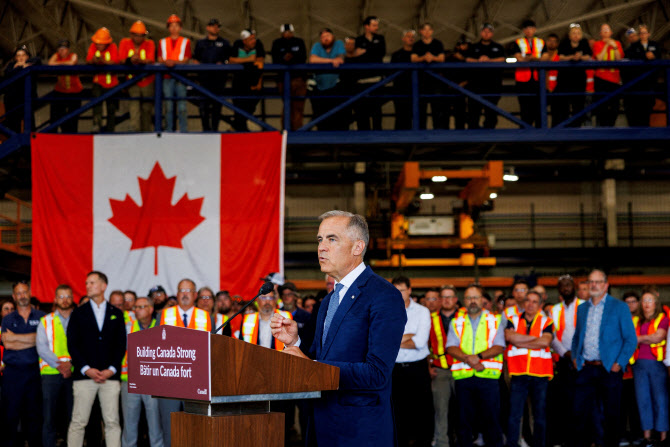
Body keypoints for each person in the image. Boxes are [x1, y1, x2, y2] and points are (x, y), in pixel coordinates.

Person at [270, 210, 406, 446]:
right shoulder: (329, 300)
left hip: (359, 431)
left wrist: (312, 365)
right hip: (322, 426)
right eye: (320, 240)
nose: (321, 248)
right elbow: (320, 358)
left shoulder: (384, 296)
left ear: (357, 247)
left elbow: (376, 373)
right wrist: (295, 343)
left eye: (332, 239)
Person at [571, 269, 637, 447]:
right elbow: (577, 337)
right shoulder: (582, 308)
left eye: (598, 281)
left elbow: (631, 339)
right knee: (579, 412)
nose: (594, 285)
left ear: (606, 285)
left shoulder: (619, 307)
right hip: (586, 368)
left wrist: (619, 363)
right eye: (591, 281)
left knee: (611, 415)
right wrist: (575, 357)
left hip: (609, 369)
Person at [66, 271, 127, 447]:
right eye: (87, 283)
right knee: (78, 422)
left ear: (103, 286)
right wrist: (86, 369)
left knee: (112, 422)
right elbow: (72, 345)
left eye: (92, 282)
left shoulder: (116, 313)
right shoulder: (78, 313)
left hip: (110, 377)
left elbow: (121, 344)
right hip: (84, 377)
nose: (88, 286)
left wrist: (112, 370)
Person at [446, 284, 505, 447]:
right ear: (464, 301)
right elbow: (450, 347)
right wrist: (469, 360)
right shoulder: (456, 322)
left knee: (492, 419)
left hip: (488, 376)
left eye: (476, 297)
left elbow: (499, 346)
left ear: (482, 300)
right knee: (463, 420)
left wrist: (478, 358)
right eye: (469, 298)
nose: (472, 301)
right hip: (463, 377)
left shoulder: (495, 320)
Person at [157, 279, 211, 447]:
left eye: (189, 290)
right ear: (177, 294)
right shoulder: (164, 315)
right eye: (182, 290)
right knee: (170, 428)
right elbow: (155, 346)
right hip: (169, 383)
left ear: (195, 295)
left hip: (197, 383)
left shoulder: (205, 316)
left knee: (197, 428)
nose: (185, 294)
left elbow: (212, 347)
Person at [505, 291, 554, 447]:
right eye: (528, 301)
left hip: (540, 372)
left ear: (540, 305)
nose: (530, 304)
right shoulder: (512, 319)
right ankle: (512, 444)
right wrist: (535, 340)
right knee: (514, 415)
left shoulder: (546, 321)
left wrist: (520, 340)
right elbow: (510, 337)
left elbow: (545, 342)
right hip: (518, 372)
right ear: (524, 303)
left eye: (534, 301)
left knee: (539, 415)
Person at [1, 280, 45, 447]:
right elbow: (7, 343)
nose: (22, 296)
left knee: (34, 416)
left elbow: (44, 342)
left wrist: (17, 338)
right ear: (14, 297)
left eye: (25, 292)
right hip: (12, 374)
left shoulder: (41, 317)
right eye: (18, 293)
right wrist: (34, 339)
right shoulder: (7, 319)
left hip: (35, 373)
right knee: (11, 416)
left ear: (30, 293)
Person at [391, 276, 433, 447]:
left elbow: (420, 342)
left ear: (409, 290)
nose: (398, 294)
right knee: (397, 411)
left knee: (421, 411)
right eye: (395, 290)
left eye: (401, 290)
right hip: (394, 369)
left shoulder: (422, 312)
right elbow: (381, 340)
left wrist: (394, 340)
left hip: (418, 368)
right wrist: (408, 336)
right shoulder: (385, 311)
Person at [122, 296, 164, 447]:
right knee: (129, 424)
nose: (137, 311)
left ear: (151, 309)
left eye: (141, 307)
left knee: (155, 424)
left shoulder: (160, 327)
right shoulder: (128, 326)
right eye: (136, 308)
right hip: (130, 381)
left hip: (152, 383)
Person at [37, 284, 75, 447]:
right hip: (50, 375)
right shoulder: (46, 321)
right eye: (61, 296)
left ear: (72, 299)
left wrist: (71, 364)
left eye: (68, 296)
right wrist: (61, 366)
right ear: (55, 299)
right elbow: (41, 348)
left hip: (74, 374)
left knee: (73, 417)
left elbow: (85, 346)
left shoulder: (80, 319)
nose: (65, 300)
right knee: (49, 418)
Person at [547, 274, 584, 445]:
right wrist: (564, 353)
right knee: (564, 400)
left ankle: (583, 439)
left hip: (583, 359)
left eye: (569, 285)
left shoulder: (585, 306)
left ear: (574, 287)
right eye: (562, 286)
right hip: (562, 359)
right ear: (558, 290)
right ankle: (566, 439)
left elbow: (589, 333)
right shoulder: (554, 310)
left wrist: (576, 353)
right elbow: (551, 336)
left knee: (582, 399)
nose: (566, 288)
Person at [631, 289, 668, 445]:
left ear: (656, 303)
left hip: (656, 364)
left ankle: (663, 436)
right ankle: (647, 436)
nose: (646, 304)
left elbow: (658, 337)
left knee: (660, 399)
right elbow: (629, 339)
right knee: (643, 400)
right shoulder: (635, 320)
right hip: (638, 364)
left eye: (650, 300)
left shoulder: (663, 318)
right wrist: (647, 338)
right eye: (644, 301)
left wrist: (639, 338)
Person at [429, 286, 459, 447]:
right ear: (440, 300)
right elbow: (424, 345)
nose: (447, 300)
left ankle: (463, 440)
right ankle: (441, 443)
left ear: (455, 299)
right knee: (440, 410)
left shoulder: (464, 317)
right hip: (439, 369)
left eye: (450, 297)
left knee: (463, 408)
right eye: (444, 297)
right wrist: (428, 366)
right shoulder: (431, 318)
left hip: (461, 368)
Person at [193, 18, 230, 131]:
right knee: (203, 105)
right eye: (213, 26)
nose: (215, 28)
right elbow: (195, 59)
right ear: (207, 27)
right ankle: (206, 129)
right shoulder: (201, 43)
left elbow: (230, 59)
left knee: (217, 106)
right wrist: (200, 69)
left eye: (217, 26)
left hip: (219, 80)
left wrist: (223, 64)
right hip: (204, 79)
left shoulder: (224, 43)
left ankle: (214, 129)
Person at [466, 23, 505, 129]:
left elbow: (503, 59)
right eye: (484, 31)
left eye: (489, 31)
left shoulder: (498, 47)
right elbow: (467, 59)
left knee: (491, 112)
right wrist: (479, 60)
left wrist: (489, 60)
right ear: (481, 33)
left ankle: (490, 134)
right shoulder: (473, 47)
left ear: (492, 33)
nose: (486, 33)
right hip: (475, 86)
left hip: (493, 85)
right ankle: (473, 134)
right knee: (474, 112)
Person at [119, 21, 156, 132]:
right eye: (136, 35)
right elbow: (120, 59)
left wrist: (139, 60)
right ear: (131, 35)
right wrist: (130, 60)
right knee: (134, 106)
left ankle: (146, 133)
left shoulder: (150, 43)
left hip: (147, 81)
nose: (139, 38)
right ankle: (135, 131)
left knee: (146, 109)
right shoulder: (124, 43)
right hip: (132, 80)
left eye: (141, 35)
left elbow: (151, 59)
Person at [158, 14, 192, 132]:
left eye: (176, 25)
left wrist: (172, 62)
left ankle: (183, 130)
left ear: (180, 28)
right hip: (167, 78)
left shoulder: (185, 42)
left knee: (182, 107)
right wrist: (167, 62)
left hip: (181, 78)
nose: (174, 28)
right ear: (168, 28)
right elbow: (159, 58)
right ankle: (169, 130)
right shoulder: (162, 42)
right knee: (169, 107)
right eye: (171, 26)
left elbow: (186, 59)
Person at [623, 24, 661, 127]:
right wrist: (644, 56)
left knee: (648, 108)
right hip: (637, 84)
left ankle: (646, 129)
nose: (643, 35)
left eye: (645, 33)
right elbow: (630, 56)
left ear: (648, 34)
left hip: (650, 82)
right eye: (641, 33)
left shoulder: (655, 45)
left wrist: (654, 56)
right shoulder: (634, 46)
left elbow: (660, 56)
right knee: (636, 109)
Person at [271, 24, 307, 130]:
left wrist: (292, 58)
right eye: (285, 32)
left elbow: (303, 57)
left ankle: (297, 132)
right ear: (282, 33)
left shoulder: (299, 42)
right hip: (283, 80)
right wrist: (284, 58)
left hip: (298, 79)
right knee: (288, 106)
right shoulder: (277, 43)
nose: (287, 34)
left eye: (289, 32)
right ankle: (287, 131)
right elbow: (275, 59)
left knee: (298, 107)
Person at [309, 28, 347, 130]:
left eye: (328, 36)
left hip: (335, 87)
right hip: (319, 87)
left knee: (337, 115)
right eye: (323, 37)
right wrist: (331, 61)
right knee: (320, 116)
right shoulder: (317, 46)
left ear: (333, 36)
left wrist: (331, 60)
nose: (326, 38)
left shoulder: (338, 44)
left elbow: (341, 59)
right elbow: (312, 59)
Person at [353, 16, 386, 131]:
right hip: (362, 81)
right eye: (374, 25)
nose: (376, 27)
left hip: (377, 80)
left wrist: (366, 50)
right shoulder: (359, 40)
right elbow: (356, 55)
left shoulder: (380, 38)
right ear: (366, 26)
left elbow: (381, 53)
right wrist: (372, 50)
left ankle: (378, 135)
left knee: (377, 111)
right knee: (362, 112)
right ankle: (363, 136)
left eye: (377, 25)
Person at [411, 23, 446, 129]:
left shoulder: (438, 43)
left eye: (429, 29)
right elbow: (413, 58)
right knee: (421, 108)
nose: (427, 32)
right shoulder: (417, 45)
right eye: (424, 29)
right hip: (421, 81)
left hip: (436, 80)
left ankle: (438, 131)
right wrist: (424, 58)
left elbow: (442, 58)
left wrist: (432, 58)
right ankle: (421, 132)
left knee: (437, 108)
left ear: (432, 31)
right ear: (421, 31)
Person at [229, 29, 265, 131]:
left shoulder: (258, 44)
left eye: (254, 38)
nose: (254, 41)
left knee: (250, 107)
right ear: (244, 41)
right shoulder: (237, 44)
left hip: (253, 81)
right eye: (251, 39)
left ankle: (236, 127)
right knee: (238, 107)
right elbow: (231, 60)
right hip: (239, 82)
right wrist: (249, 59)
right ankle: (241, 129)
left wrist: (259, 82)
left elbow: (260, 62)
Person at [511, 19, 545, 127]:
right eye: (526, 28)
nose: (529, 30)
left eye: (531, 28)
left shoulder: (541, 42)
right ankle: (525, 129)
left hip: (537, 78)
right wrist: (533, 58)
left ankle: (539, 131)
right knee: (524, 107)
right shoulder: (518, 42)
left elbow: (545, 57)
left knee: (538, 106)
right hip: (523, 79)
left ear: (535, 29)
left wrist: (531, 58)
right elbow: (518, 57)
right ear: (523, 30)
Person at [86, 28, 119, 133]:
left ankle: (110, 130)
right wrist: (94, 60)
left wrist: (102, 61)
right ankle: (96, 126)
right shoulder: (93, 47)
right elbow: (89, 60)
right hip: (98, 83)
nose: (98, 45)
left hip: (112, 84)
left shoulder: (113, 47)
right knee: (96, 106)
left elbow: (115, 61)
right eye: (97, 43)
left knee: (111, 108)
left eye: (101, 43)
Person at [3, 45, 41, 134]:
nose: (21, 58)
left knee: (30, 126)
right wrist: (20, 67)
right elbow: (8, 74)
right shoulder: (11, 66)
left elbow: (38, 60)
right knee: (13, 126)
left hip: (27, 101)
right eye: (18, 55)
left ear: (27, 56)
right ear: (15, 58)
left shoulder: (31, 64)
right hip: (13, 103)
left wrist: (24, 65)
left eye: (23, 55)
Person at [592, 24, 624, 127]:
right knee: (602, 107)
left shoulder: (617, 43)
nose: (605, 31)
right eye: (603, 30)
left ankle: (611, 127)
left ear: (611, 32)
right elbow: (599, 58)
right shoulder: (597, 44)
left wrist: (614, 46)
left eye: (607, 29)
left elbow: (619, 59)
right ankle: (602, 128)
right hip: (601, 79)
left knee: (615, 107)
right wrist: (606, 45)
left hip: (614, 80)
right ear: (600, 33)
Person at [48, 39, 83, 133]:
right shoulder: (56, 55)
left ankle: (71, 134)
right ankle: (54, 134)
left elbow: (72, 63)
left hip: (75, 92)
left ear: (68, 49)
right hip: (60, 91)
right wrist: (63, 63)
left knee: (73, 116)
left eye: (64, 48)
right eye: (60, 48)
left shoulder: (73, 55)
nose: (62, 50)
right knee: (56, 114)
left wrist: (59, 64)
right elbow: (50, 63)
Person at [391, 30, 416, 130]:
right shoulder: (396, 55)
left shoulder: (417, 54)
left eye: (412, 37)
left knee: (415, 114)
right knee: (400, 114)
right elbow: (391, 73)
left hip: (415, 89)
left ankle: (416, 136)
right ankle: (398, 136)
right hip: (400, 89)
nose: (411, 38)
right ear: (403, 38)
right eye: (408, 36)